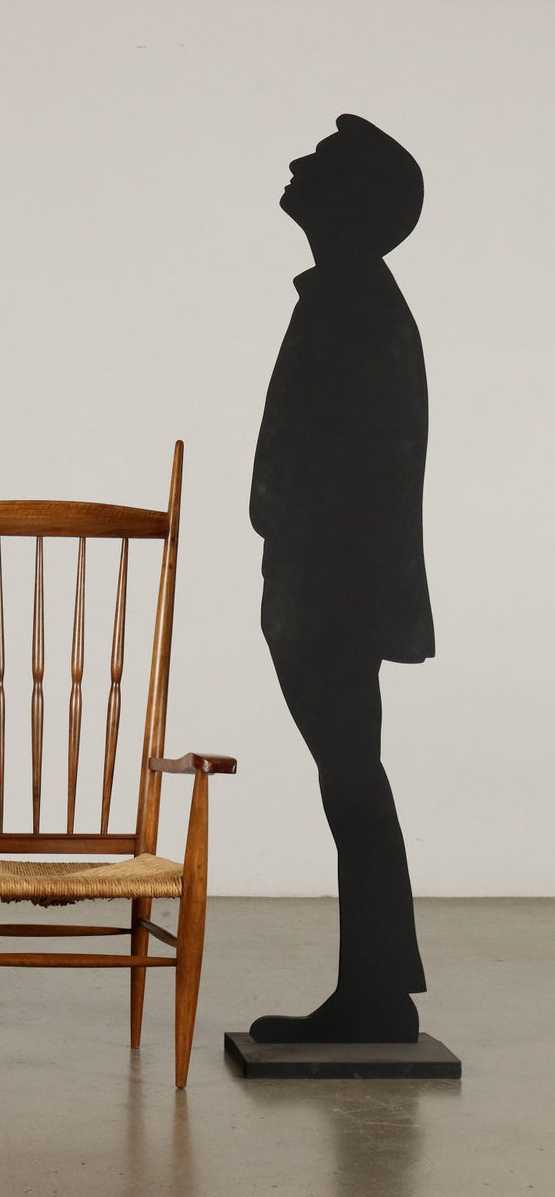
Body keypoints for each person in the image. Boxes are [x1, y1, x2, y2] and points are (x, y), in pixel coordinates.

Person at [248, 114, 433, 1043]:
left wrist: (292, 537)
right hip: (323, 580)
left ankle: (377, 993)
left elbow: (367, 464)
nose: (296, 164)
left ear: (353, 201)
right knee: (351, 777)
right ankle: (378, 985)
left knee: (352, 777)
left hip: (331, 588)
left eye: (319, 162)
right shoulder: (348, 298)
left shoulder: (353, 304)